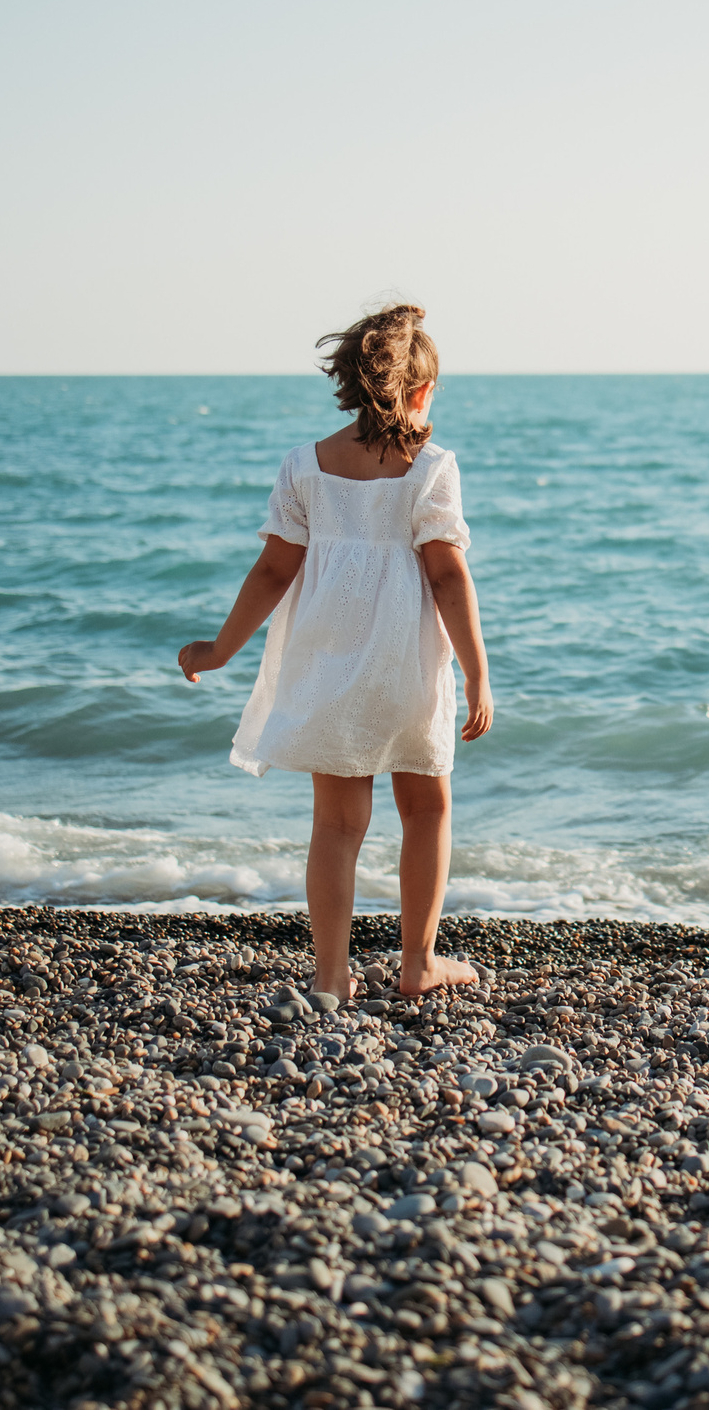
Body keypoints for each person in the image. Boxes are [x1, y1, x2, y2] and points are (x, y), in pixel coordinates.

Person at [177, 304, 492, 999]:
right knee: (428, 809)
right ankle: (417, 963)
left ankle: (328, 978)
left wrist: (221, 648)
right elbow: (446, 574)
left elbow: (272, 573)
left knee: (338, 824)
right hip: (403, 666)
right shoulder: (431, 467)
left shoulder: (305, 467)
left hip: (327, 664)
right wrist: (477, 672)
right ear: (418, 392)